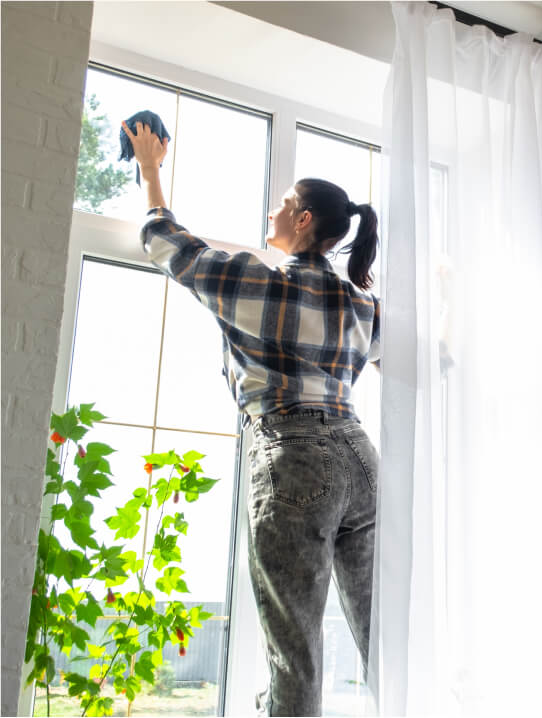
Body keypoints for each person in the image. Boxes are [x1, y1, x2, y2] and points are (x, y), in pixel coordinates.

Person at [122, 120, 381, 717]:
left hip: (295, 458)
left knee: (296, 652)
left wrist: (152, 170)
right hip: (361, 461)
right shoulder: (361, 303)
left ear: (305, 220)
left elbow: (167, 242)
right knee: (382, 639)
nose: (273, 212)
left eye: (284, 203)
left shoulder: (254, 280)